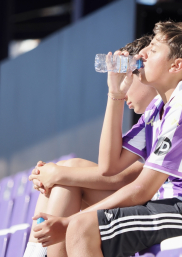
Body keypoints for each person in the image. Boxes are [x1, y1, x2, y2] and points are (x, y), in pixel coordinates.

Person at [32, 21, 182, 257]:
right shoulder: (158, 108)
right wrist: (115, 94)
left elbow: (142, 189)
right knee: (72, 194)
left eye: (153, 50)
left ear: (176, 66)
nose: (143, 54)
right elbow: (109, 166)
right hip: (174, 207)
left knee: (80, 227)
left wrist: (69, 221)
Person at [23, 35, 156, 257]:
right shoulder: (148, 120)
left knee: (66, 179)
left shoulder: (173, 110)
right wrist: (57, 173)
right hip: (143, 205)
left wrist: (57, 173)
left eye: (127, 77)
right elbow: (113, 169)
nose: (124, 93)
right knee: (68, 172)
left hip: (159, 211)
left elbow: (125, 177)